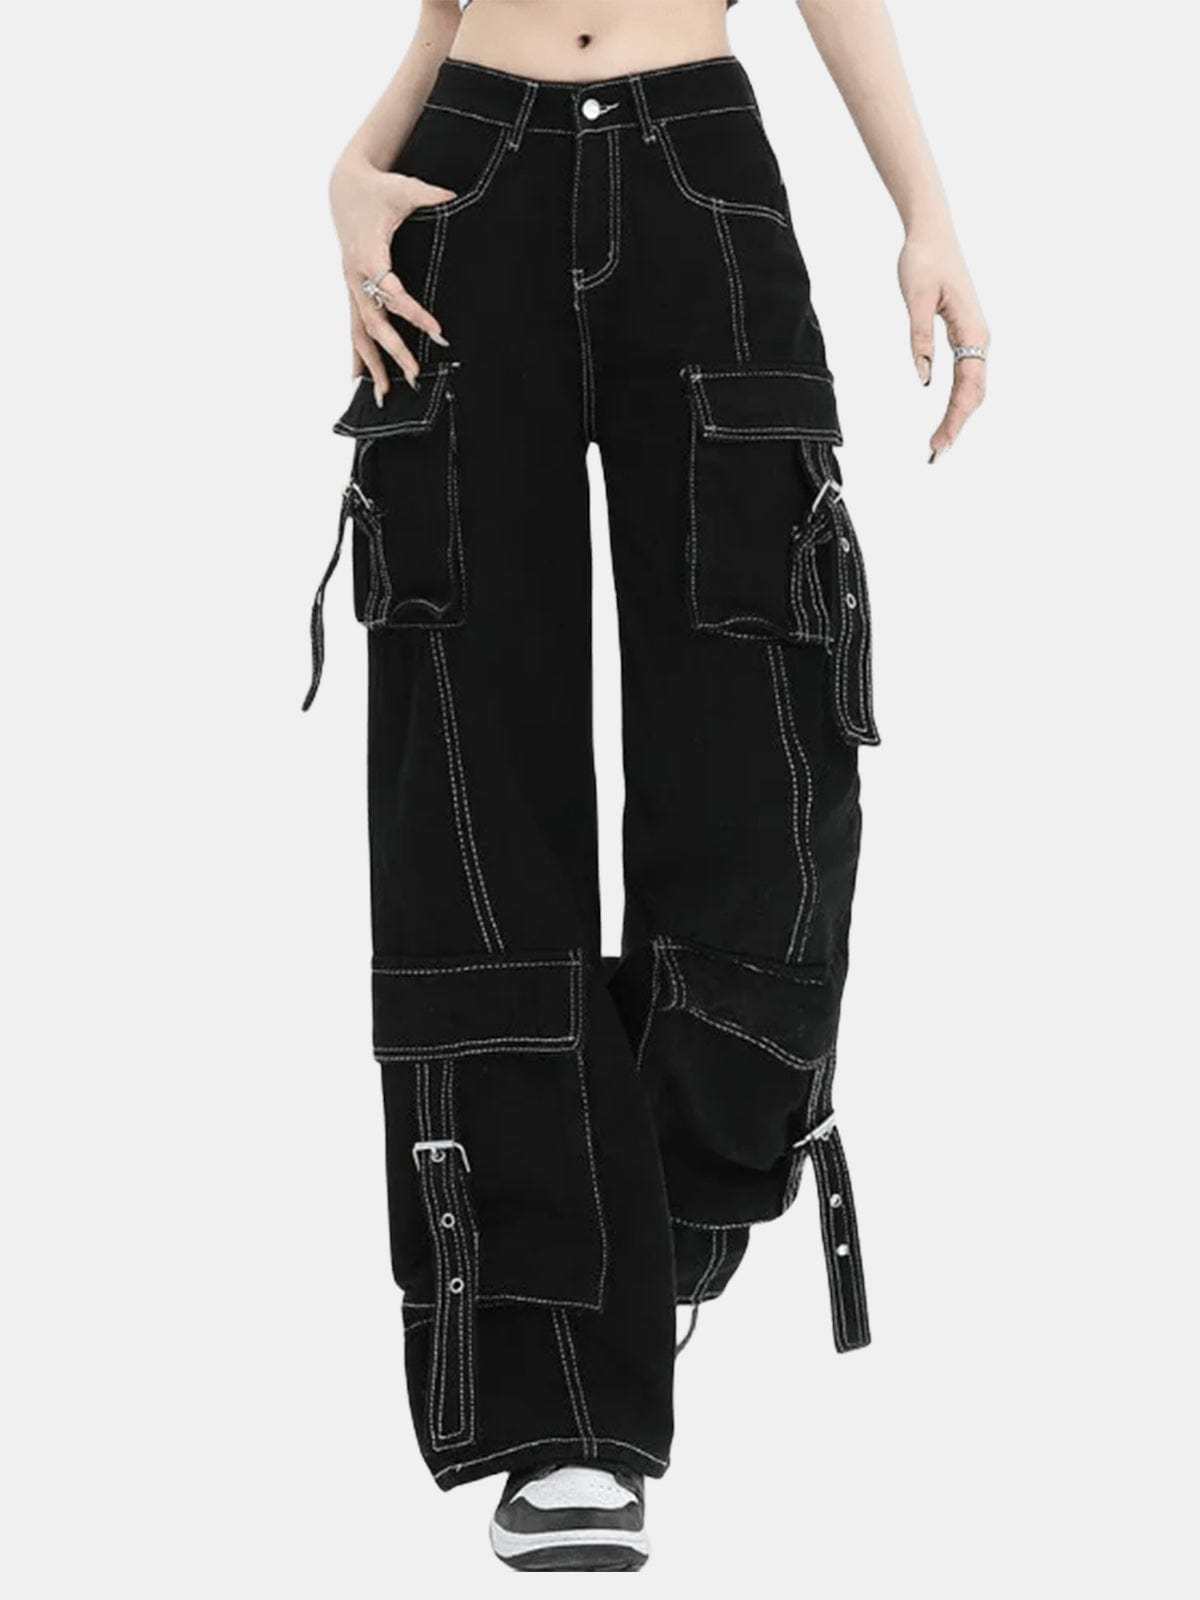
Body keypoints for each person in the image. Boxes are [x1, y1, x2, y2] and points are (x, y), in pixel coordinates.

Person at [308, 0, 988, 1572]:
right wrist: (350, 173)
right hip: (462, 185)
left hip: (700, 172)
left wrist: (927, 209)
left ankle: (646, 1207)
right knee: (470, 775)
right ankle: (559, 1414)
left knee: (765, 749)